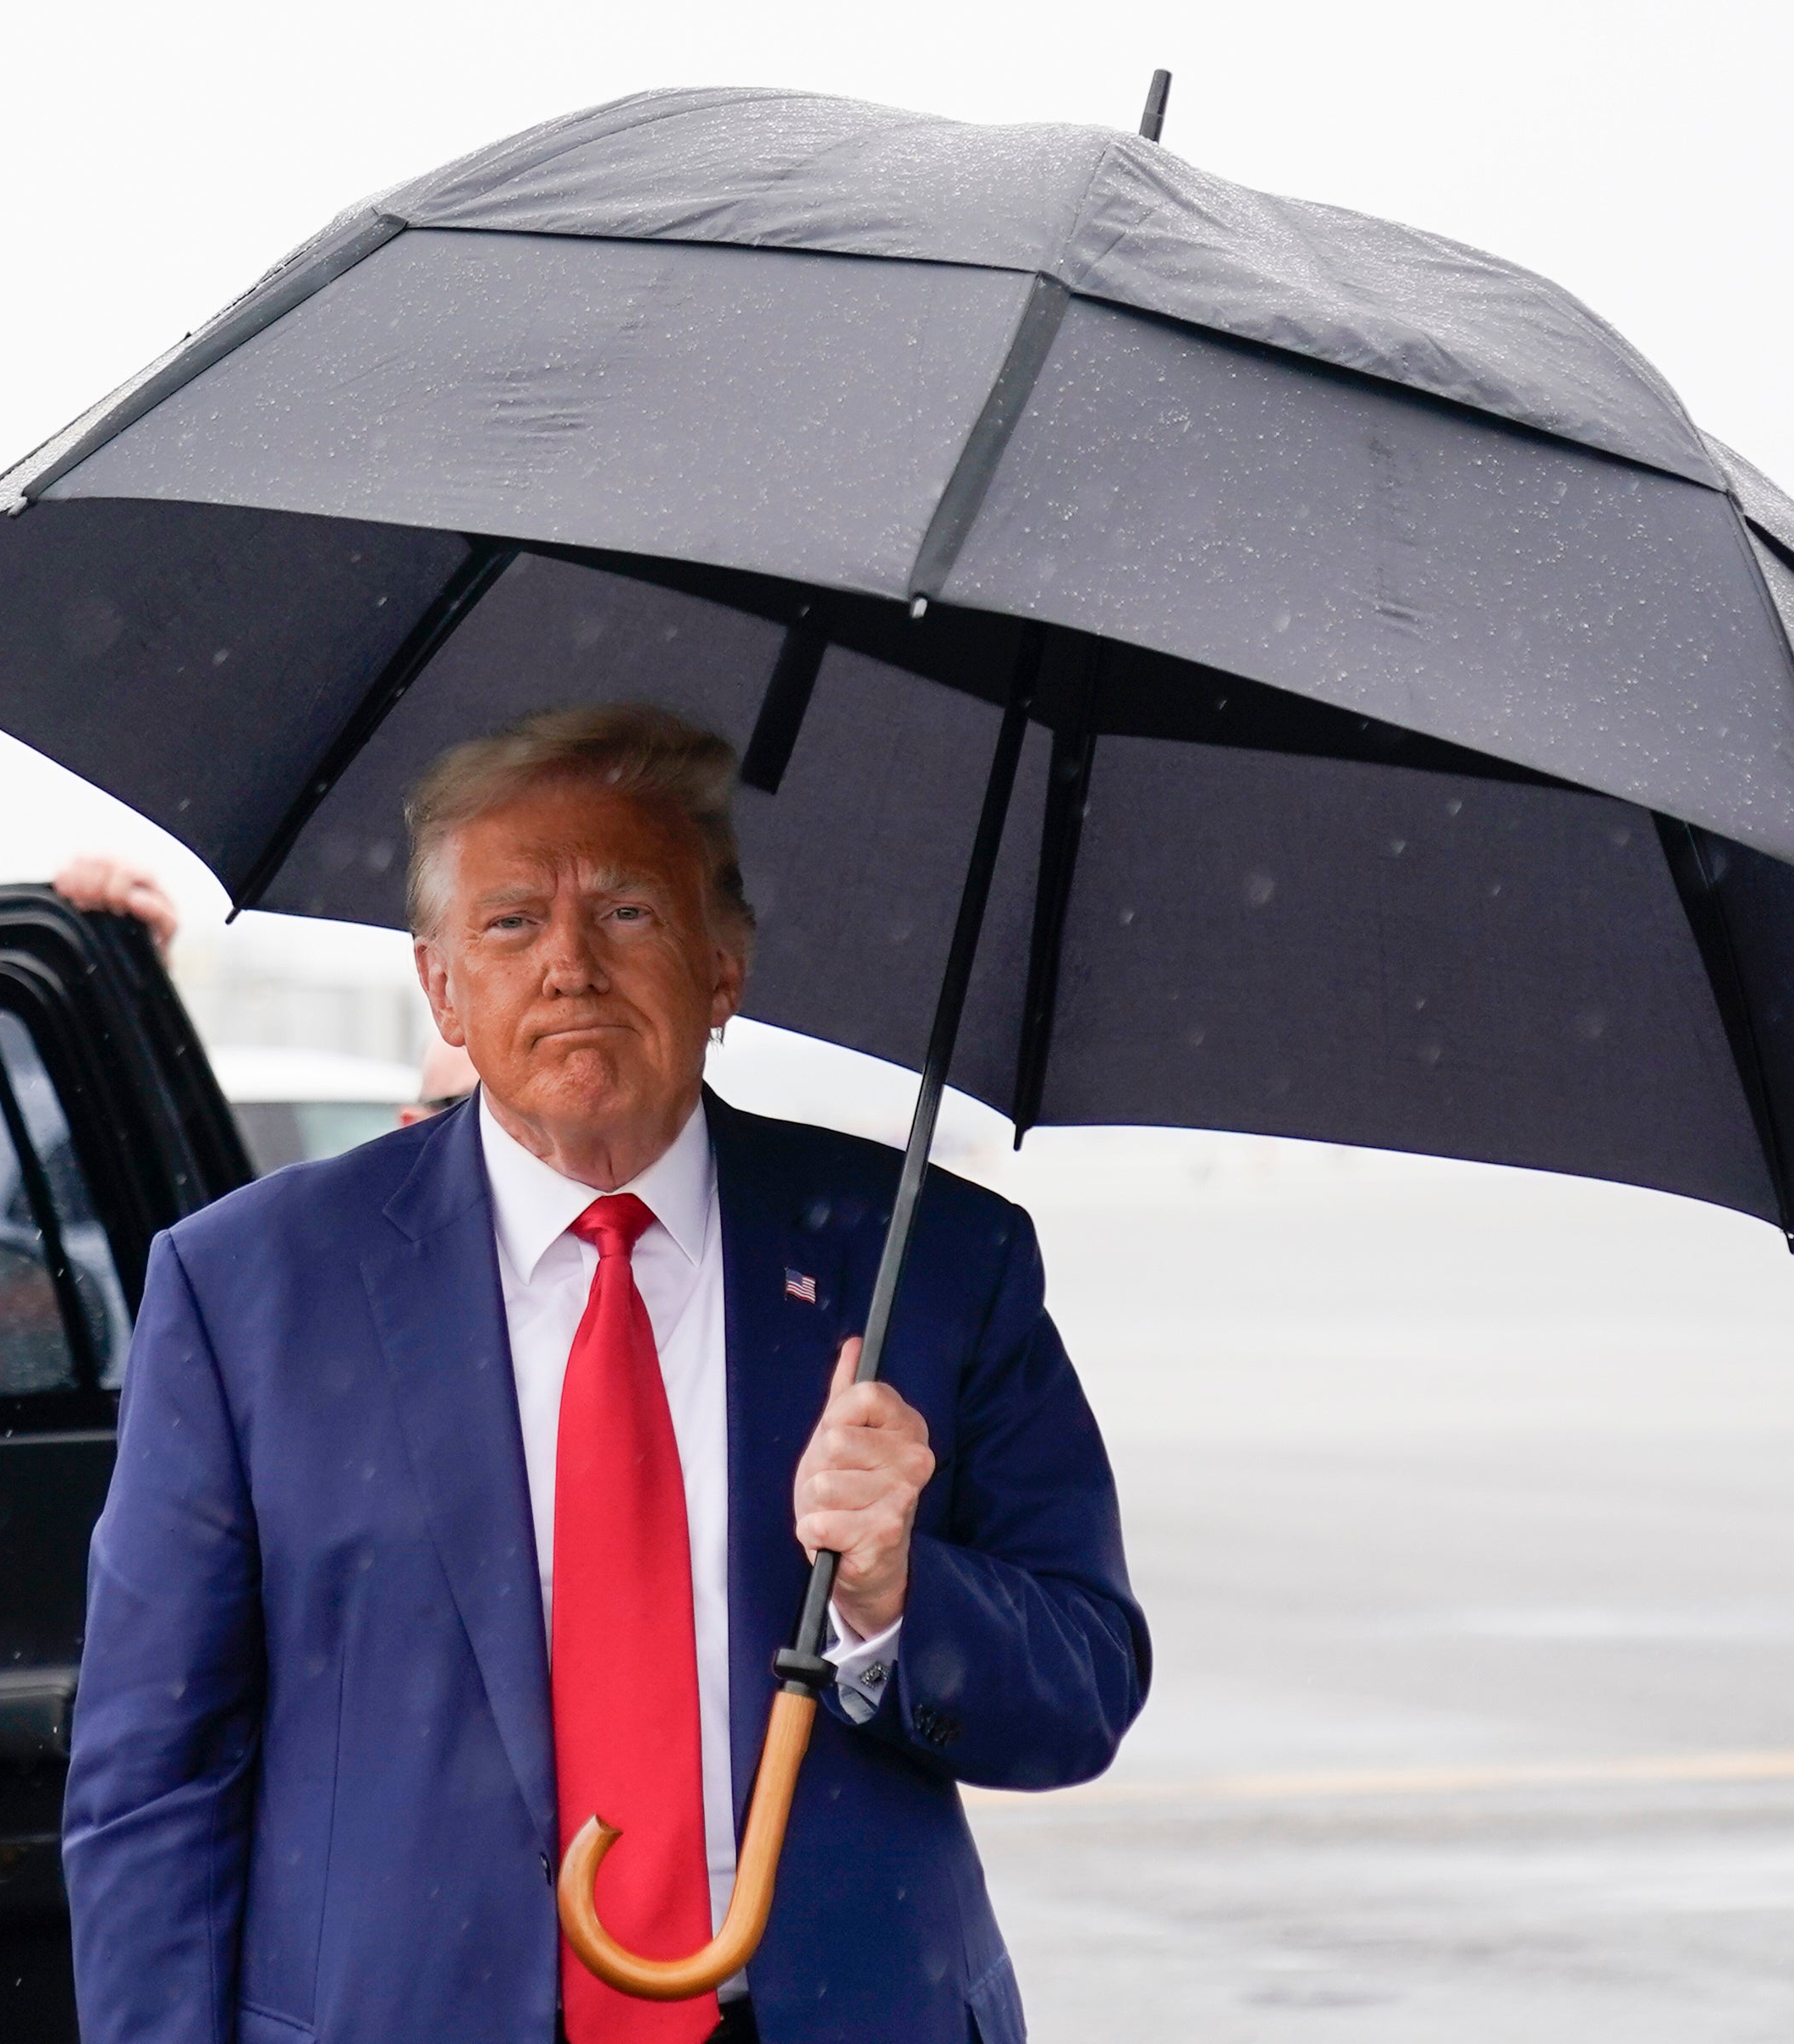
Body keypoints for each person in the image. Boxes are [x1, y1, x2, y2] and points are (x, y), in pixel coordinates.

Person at [63, 705, 1147, 2044]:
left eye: (628, 911)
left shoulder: (929, 1262)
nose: (570, 964)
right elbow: (152, 1779)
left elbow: (1085, 1689)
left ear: (725, 964)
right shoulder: (250, 1290)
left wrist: (896, 1593)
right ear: (443, 985)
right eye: (513, 921)